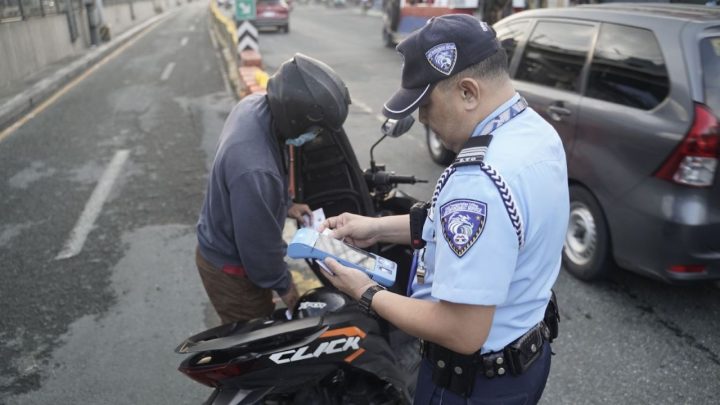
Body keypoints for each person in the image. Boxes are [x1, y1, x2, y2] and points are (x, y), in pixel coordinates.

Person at [320, 14, 568, 404]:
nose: (422, 119)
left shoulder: (479, 181)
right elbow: (477, 232)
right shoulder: (533, 131)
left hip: (471, 386)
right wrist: (374, 228)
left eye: (427, 104)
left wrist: (365, 291)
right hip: (525, 359)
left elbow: (461, 331)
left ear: (468, 92)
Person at [195, 54, 352, 324]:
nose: (315, 136)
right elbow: (259, 249)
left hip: (222, 238)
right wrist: (287, 288)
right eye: (315, 130)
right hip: (231, 270)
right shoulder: (255, 168)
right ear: (295, 119)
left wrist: (286, 204)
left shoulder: (254, 106)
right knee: (252, 343)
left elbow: (266, 176)